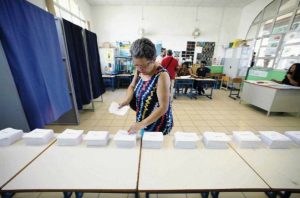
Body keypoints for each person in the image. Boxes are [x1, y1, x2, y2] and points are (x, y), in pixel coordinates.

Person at [119, 38, 173, 135]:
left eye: (143, 65)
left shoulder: (162, 76)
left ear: (153, 59)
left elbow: (163, 107)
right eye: (136, 65)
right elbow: (132, 85)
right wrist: (127, 100)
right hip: (143, 119)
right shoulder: (139, 68)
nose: (139, 69)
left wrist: (141, 124)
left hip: (157, 123)